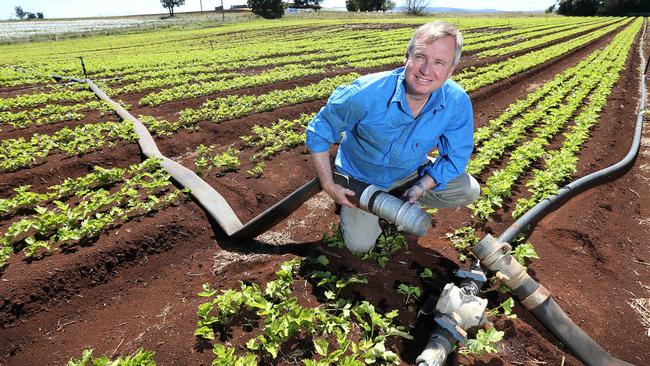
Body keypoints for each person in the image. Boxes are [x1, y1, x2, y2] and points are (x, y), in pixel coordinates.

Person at [305, 21, 480, 253]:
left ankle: (397, 198)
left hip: (408, 173)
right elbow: (320, 129)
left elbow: (455, 155)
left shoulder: (456, 102)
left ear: (450, 71)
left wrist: (421, 186)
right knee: (359, 247)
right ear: (406, 57)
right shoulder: (367, 92)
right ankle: (371, 203)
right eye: (420, 57)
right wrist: (328, 184)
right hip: (361, 177)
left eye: (439, 62)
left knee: (469, 189)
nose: (427, 70)